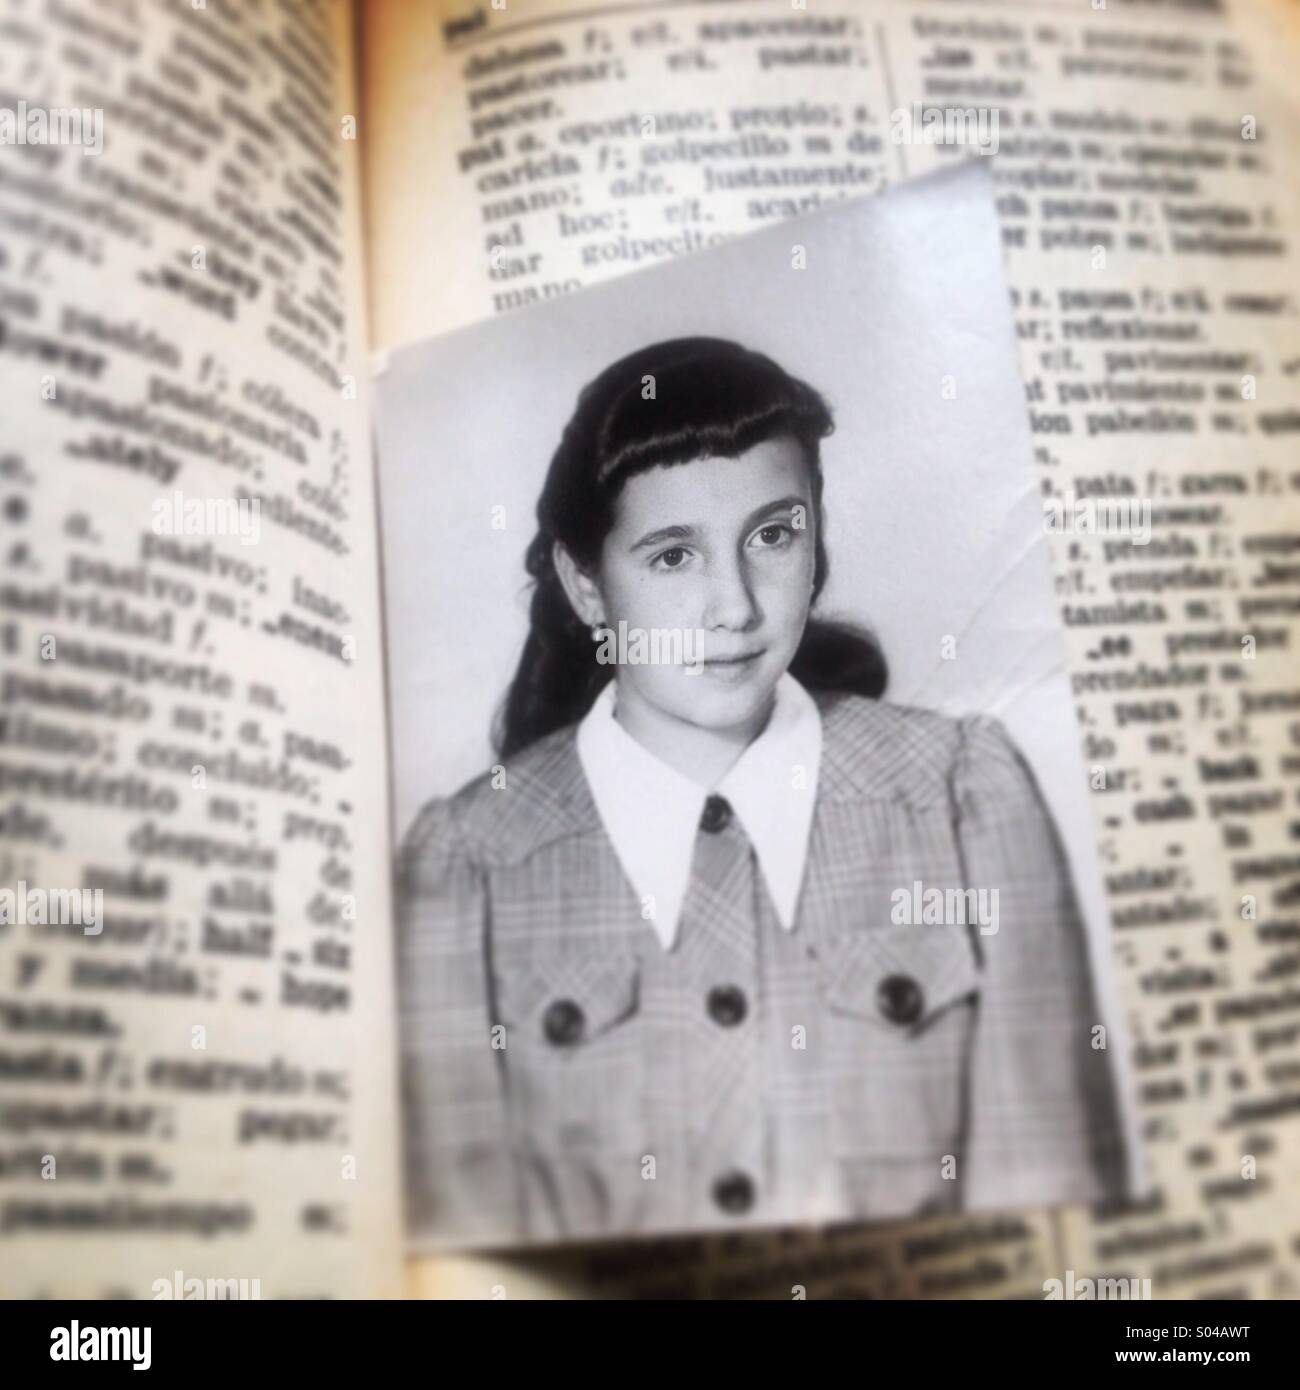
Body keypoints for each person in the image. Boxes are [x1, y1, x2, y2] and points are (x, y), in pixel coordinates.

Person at [399, 337, 1127, 1246]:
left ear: (816, 536)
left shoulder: (963, 797)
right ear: (586, 586)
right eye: (672, 558)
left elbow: (1053, 1216)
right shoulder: (465, 867)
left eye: (773, 535)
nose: (735, 606)